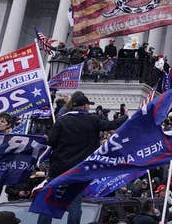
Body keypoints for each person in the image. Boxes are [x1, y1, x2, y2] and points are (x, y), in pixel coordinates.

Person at [36, 91, 127, 224]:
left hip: (59, 168)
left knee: (50, 202)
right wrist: (124, 116)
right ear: (84, 106)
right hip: (79, 169)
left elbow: (51, 142)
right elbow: (111, 125)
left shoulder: (62, 120)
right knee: (74, 204)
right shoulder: (93, 120)